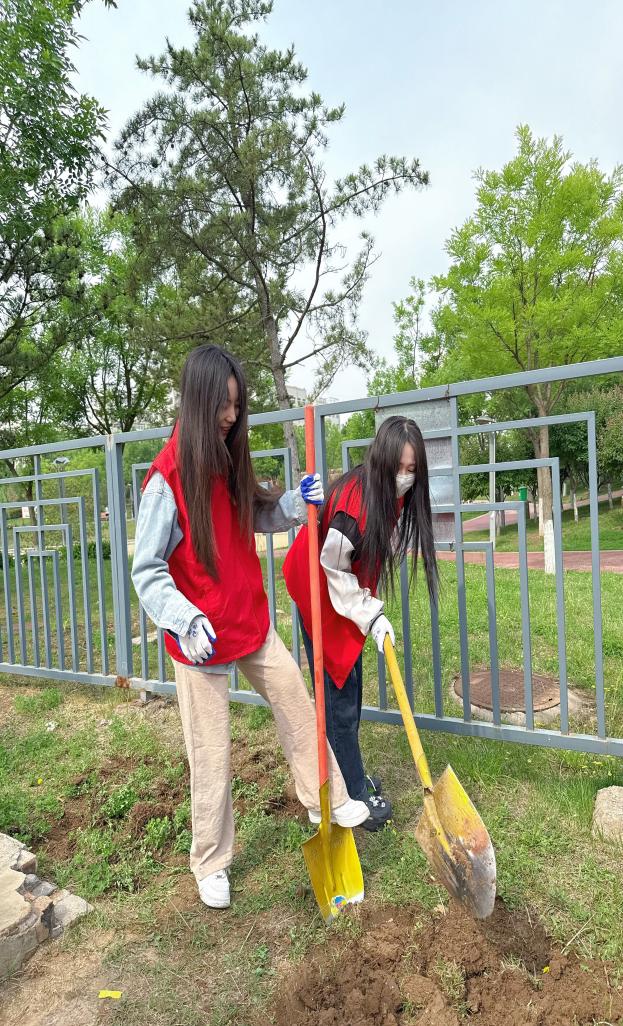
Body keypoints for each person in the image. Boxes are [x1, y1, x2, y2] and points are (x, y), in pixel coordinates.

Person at [131, 344, 369, 909]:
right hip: (200, 638)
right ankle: (210, 861)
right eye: (224, 404)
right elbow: (147, 570)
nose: (232, 415)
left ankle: (326, 799)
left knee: (296, 704)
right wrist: (184, 619)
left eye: (237, 405)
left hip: (249, 620)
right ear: (198, 401)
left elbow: (256, 513)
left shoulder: (226, 459)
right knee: (211, 752)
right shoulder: (166, 479)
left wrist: (292, 503)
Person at [283, 416, 438, 831]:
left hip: (344, 591)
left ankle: (350, 777)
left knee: (350, 687)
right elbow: (333, 570)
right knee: (340, 697)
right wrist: (371, 613)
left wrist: (369, 611)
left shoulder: (388, 492)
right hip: (319, 588)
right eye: (398, 468)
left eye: (412, 469)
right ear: (380, 461)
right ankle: (350, 793)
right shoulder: (354, 505)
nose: (405, 477)